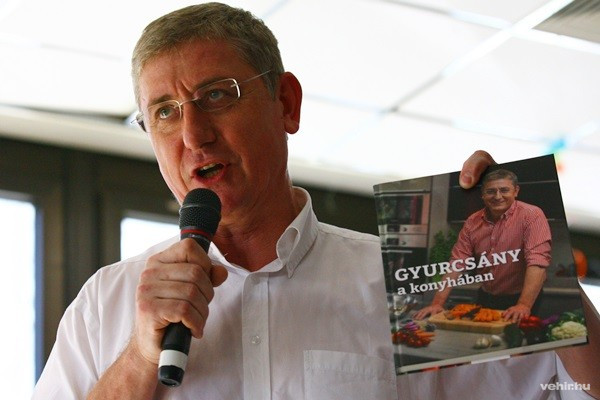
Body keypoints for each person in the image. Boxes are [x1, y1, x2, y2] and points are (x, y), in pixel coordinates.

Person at [32, 3, 599, 399]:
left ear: (286, 103)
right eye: (164, 112)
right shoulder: (106, 303)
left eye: (216, 95)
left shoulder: (412, 283)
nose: (194, 134)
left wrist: (537, 267)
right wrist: (139, 357)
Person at [414, 169, 552, 322]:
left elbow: (537, 262)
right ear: (483, 195)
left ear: (516, 191)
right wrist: (437, 303)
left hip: (522, 298)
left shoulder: (532, 215)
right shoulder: (472, 221)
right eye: (491, 191)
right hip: (486, 296)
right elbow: (457, 263)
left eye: (504, 190)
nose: (497, 196)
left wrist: (523, 305)